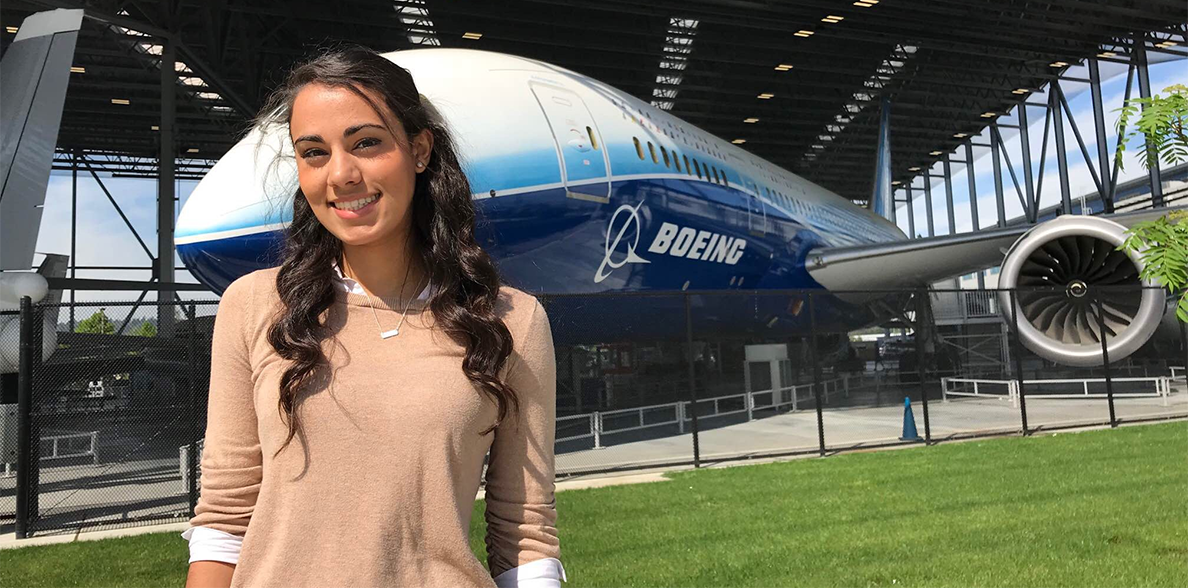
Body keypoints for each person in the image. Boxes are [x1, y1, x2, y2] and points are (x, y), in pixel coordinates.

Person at [182, 46, 565, 588]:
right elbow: (225, 515)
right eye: (314, 153)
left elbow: (524, 530)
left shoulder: (511, 321)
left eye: (366, 143)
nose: (341, 174)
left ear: (420, 149)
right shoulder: (252, 306)